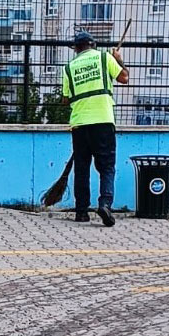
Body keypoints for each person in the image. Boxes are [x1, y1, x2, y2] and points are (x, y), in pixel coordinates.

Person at [61, 30, 129, 226]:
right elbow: (124, 77)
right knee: (106, 167)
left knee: (82, 168)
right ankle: (105, 204)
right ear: (93, 45)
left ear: (76, 48)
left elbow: (65, 100)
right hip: (103, 121)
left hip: (80, 123)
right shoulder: (104, 58)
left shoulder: (68, 68)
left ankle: (81, 212)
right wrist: (119, 59)